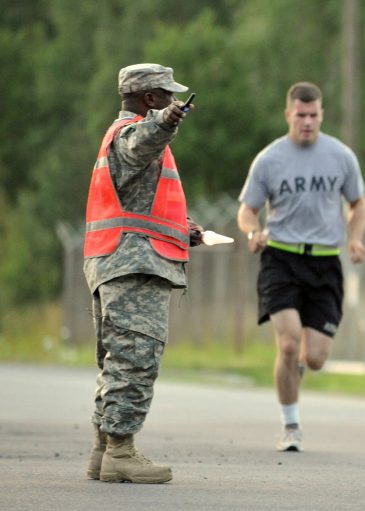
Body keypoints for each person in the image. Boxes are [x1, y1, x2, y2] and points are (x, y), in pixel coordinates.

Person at [83, 63, 203, 483]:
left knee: (116, 359)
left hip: (118, 258)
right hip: (132, 264)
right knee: (136, 356)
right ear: (150, 99)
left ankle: (104, 451)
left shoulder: (118, 138)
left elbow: (137, 204)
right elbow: (142, 143)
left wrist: (184, 230)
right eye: (166, 95)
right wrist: (167, 122)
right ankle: (121, 451)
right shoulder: (132, 132)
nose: (173, 100)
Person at [237, 82, 365, 452]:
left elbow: (359, 204)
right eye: (300, 115)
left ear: (322, 114)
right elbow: (247, 209)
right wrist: (252, 231)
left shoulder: (340, 156)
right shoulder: (269, 159)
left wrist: (355, 237)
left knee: (315, 357)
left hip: (325, 262)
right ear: (288, 115)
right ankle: (290, 425)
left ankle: (293, 371)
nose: (307, 122)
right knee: (290, 343)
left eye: (313, 115)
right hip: (281, 257)